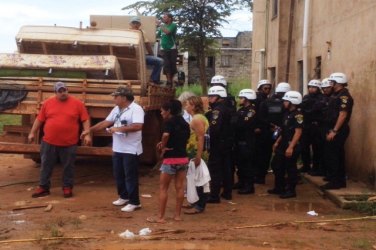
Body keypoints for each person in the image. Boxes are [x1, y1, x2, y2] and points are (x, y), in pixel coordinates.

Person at [81, 85, 144, 212]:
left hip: (131, 149)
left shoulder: (136, 109)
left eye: (116, 96)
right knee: (118, 173)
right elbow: (106, 122)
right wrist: (89, 130)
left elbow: (138, 126)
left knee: (130, 175)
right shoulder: (117, 109)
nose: (114, 99)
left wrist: (118, 129)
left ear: (124, 98)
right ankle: (123, 196)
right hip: (118, 148)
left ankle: (134, 202)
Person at [28, 81, 91, 198]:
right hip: (49, 142)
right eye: (60, 91)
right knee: (46, 165)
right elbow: (39, 120)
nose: (63, 93)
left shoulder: (77, 104)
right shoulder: (47, 103)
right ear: (55, 93)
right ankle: (43, 187)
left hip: (69, 143)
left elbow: (85, 119)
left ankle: (67, 187)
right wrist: (32, 133)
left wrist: (87, 134)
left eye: (65, 90)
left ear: (68, 90)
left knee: (68, 166)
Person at [147, 100, 190, 223]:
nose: (161, 112)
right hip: (182, 158)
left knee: (163, 188)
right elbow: (183, 139)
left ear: (169, 111)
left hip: (170, 159)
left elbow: (166, 135)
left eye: (162, 110)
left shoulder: (168, 122)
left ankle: (160, 217)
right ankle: (177, 215)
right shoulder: (184, 123)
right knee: (180, 187)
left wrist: (163, 146)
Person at [321, 72, 353, 190]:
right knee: (336, 155)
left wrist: (334, 131)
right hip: (332, 128)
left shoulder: (344, 96)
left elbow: (343, 114)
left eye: (332, 82)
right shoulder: (336, 95)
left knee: (333, 155)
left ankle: (335, 181)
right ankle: (339, 180)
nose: (331, 84)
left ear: (337, 83)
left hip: (338, 129)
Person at [254, 82, 291, 184]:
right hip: (280, 133)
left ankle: (261, 177)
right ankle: (282, 179)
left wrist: (270, 126)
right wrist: (278, 127)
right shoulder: (287, 103)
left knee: (264, 155)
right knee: (281, 155)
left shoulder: (266, 102)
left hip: (266, 132)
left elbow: (260, 117)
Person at [268, 91, 303, 199]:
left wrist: (291, 147)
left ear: (292, 102)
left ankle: (291, 191)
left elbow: (298, 132)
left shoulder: (298, 115)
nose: (284, 102)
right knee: (276, 165)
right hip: (283, 144)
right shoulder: (287, 113)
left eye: (286, 101)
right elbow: (284, 131)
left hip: (291, 145)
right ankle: (279, 187)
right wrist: (277, 142)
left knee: (290, 168)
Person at [206, 86, 233, 203]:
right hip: (227, 143)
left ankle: (214, 196)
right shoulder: (229, 108)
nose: (209, 99)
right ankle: (227, 193)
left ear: (218, 97)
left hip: (218, 144)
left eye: (211, 96)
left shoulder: (217, 110)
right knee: (226, 168)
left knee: (215, 169)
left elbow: (214, 129)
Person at [184, 96, 210, 214]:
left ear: (193, 106)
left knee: (199, 178)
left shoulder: (197, 119)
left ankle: (199, 205)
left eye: (187, 104)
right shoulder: (199, 117)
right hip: (195, 151)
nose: (186, 107)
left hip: (196, 152)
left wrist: (199, 156)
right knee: (195, 177)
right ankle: (195, 202)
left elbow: (200, 138)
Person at [234, 89, 257, 194]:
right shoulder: (241, 110)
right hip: (240, 140)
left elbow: (243, 124)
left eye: (241, 98)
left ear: (247, 99)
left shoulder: (252, 111)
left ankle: (249, 186)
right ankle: (241, 182)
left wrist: (237, 122)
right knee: (240, 163)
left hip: (248, 141)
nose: (240, 99)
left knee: (248, 165)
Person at [300, 79, 326, 175]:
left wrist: (309, 110)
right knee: (304, 147)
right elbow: (303, 109)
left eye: (314, 87)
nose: (311, 89)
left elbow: (313, 110)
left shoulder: (322, 98)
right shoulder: (306, 97)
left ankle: (316, 167)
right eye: (310, 87)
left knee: (317, 148)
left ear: (318, 88)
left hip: (316, 126)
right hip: (306, 126)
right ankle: (306, 165)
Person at [129, 16, 164, 84]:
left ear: (140, 25)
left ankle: (153, 80)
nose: (135, 25)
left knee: (160, 61)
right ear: (130, 24)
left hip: (141, 57)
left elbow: (147, 44)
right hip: (130, 57)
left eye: (137, 23)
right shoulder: (127, 32)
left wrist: (152, 55)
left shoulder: (141, 32)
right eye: (134, 23)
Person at [157, 12, 178, 86]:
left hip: (172, 48)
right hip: (163, 49)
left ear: (170, 18)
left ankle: (171, 81)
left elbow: (168, 32)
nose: (163, 18)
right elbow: (157, 35)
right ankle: (168, 81)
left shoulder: (173, 25)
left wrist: (160, 24)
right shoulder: (162, 27)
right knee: (166, 65)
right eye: (163, 17)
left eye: (165, 17)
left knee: (172, 65)